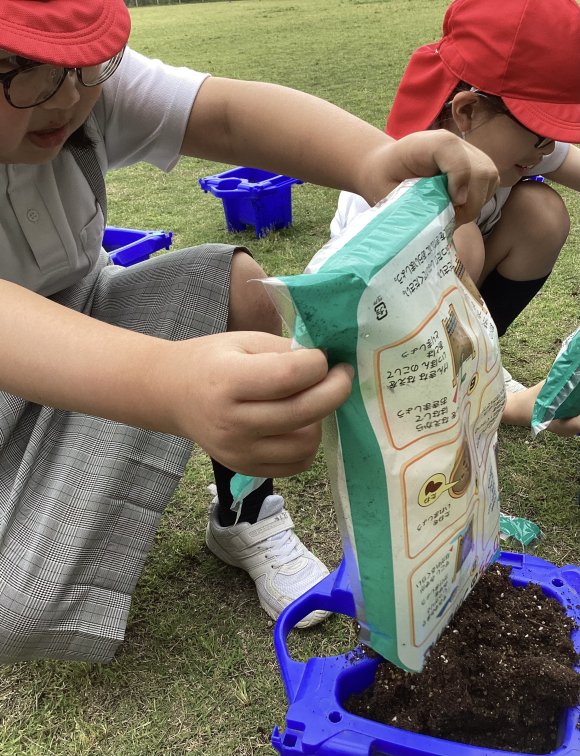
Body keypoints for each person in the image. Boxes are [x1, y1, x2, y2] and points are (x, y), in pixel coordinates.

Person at [0, 0, 498, 663]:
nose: (65, 96)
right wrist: (168, 382)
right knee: (20, 607)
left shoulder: (82, 88)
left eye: (85, 61)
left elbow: (225, 116)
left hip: (81, 318)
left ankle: (244, 513)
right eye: (25, 67)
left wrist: (378, 161)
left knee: (232, 288)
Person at [331, 0, 579, 341]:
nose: (549, 149)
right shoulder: (410, 175)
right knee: (463, 237)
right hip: (365, 326)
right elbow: (352, 295)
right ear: (467, 112)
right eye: (542, 133)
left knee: (542, 213)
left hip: (445, 309)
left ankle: (476, 354)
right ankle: (433, 372)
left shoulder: (502, 136)